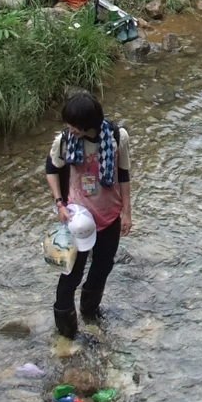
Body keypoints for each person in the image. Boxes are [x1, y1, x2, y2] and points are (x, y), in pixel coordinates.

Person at [47, 91, 132, 348]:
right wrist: (60, 204)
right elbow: (52, 169)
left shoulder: (118, 137)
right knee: (70, 273)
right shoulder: (63, 141)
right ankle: (65, 329)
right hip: (78, 220)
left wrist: (127, 210)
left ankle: (90, 312)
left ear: (88, 125)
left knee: (102, 267)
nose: (69, 129)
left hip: (109, 216)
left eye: (74, 126)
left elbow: (124, 174)